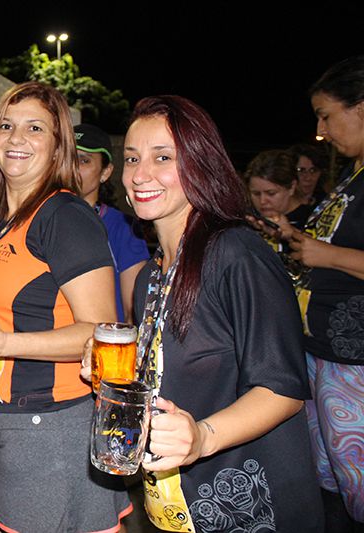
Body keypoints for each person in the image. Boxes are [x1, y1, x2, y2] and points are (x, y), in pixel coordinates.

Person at [108, 95, 322, 532]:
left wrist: (203, 436)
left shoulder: (237, 254)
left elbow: (283, 389)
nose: (140, 174)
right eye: (132, 158)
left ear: (200, 163)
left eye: (162, 157)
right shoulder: (151, 275)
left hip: (249, 509)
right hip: (175, 508)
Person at [0, 81, 131, 533]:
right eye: (6, 126)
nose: (16, 137)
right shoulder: (7, 219)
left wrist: (1, 343)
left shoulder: (63, 215)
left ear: (58, 146)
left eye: (35, 128)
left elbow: (101, 331)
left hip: (52, 430)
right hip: (13, 429)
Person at [281, 55, 364, 532]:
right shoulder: (352, 174)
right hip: (322, 353)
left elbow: (335, 256)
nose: (320, 131)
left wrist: (328, 256)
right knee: (330, 480)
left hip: (354, 361)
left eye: (327, 115)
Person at [75, 123, 149, 322]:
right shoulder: (39, 221)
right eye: (66, 158)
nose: (72, 168)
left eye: (84, 160)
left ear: (105, 172)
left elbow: (133, 312)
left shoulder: (122, 228)